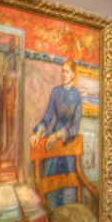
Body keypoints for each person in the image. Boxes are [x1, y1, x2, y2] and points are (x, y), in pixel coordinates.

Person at [31, 58, 85, 207]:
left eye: (67, 72)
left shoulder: (77, 97)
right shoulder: (56, 92)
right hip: (53, 145)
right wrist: (38, 133)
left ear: (73, 74)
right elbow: (47, 117)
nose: (64, 75)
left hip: (68, 144)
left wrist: (57, 135)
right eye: (63, 72)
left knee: (69, 188)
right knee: (50, 187)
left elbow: (74, 128)